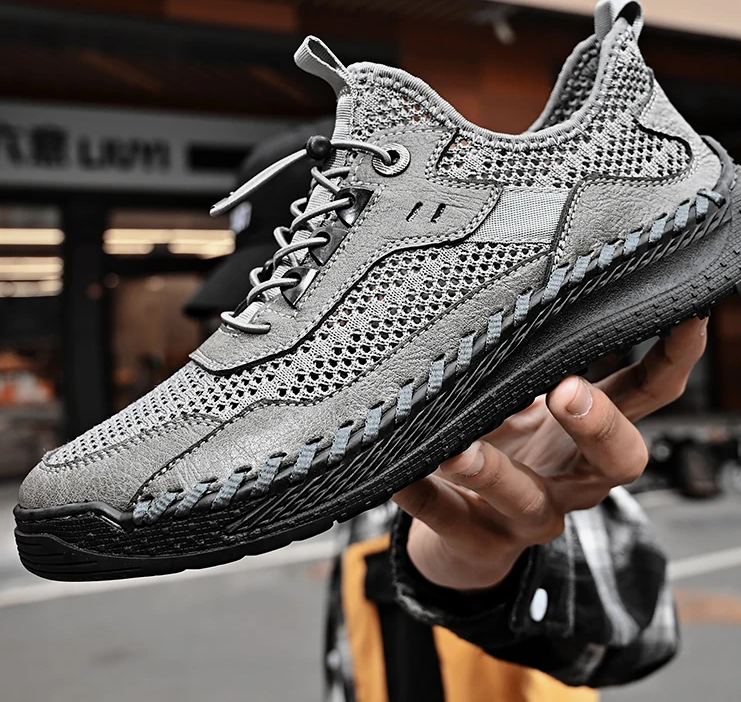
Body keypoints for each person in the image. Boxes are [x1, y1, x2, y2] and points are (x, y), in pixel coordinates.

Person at [187, 124, 697, 702]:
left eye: (289, 314)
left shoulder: (506, 429)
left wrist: (496, 571)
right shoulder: (351, 453)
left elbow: (642, 635)